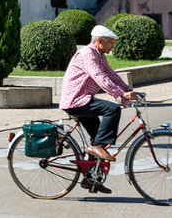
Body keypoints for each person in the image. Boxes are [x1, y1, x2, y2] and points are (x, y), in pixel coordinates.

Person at [59, 24, 141, 193]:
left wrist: (128, 90)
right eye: (110, 42)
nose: (113, 46)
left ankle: (91, 179)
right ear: (98, 41)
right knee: (113, 110)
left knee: (99, 140)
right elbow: (99, 76)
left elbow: (111, 75)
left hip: (85, 99)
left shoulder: (99, 55)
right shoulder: (88, 54)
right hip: (76, 100)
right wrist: (120, 94)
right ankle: (95, 149)